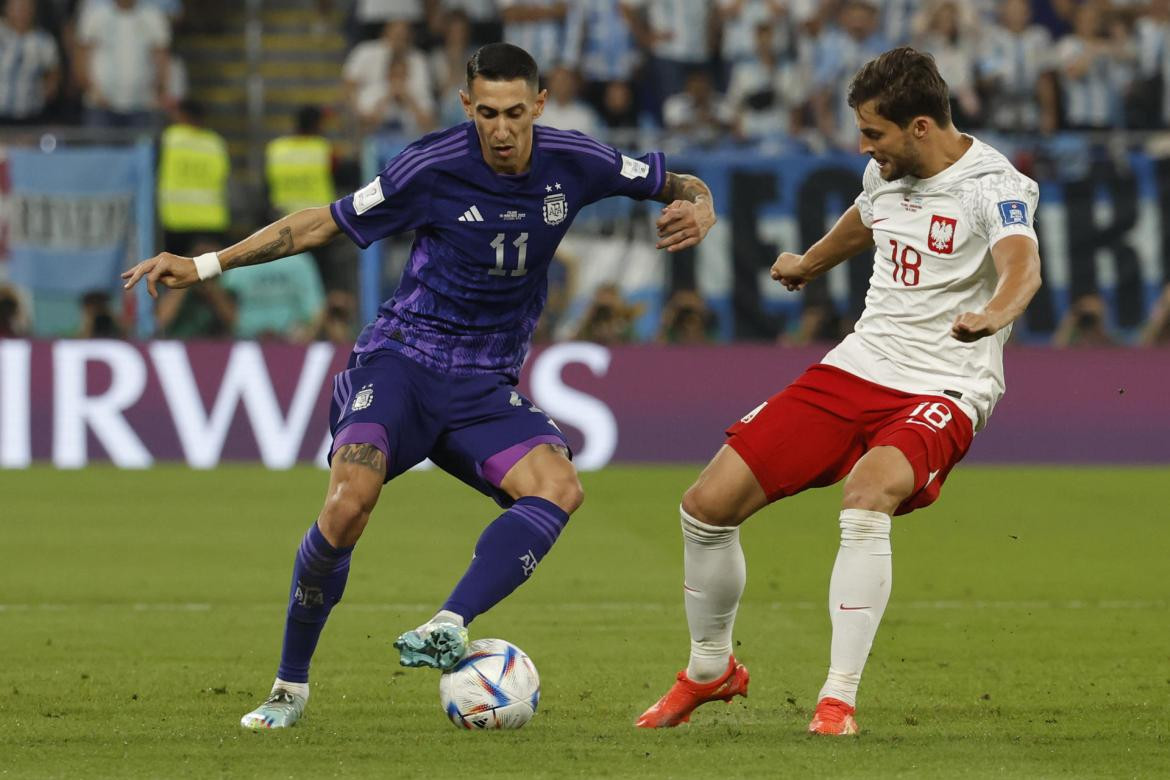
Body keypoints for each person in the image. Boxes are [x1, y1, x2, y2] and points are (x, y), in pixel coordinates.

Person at [121, 42, 716, 731]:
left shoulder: (577, 160)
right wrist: (203, 266)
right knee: (348, 505)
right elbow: (322, 221)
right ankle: (289, 687)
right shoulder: (431, 166)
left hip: (484, 384)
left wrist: (701, 208)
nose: (500, 129)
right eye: (487, 112)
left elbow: (683, 184)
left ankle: (449, 622)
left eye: (515, 113)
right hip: (401, 363)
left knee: (560, 488)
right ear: (467, 106)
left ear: (540, 107)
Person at [637, 47, 1041, 736]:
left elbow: (1021, 266)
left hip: (946, 379)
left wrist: (994, 315)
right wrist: (808, 263)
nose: (864, 146)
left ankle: (837, 700)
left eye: (874, 133)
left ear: (919, 126)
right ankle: (710, 669)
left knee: (868, 494)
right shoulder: (886, 171)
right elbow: (867, 213)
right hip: (858, 365)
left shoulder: (994, 184)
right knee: (706, 506)